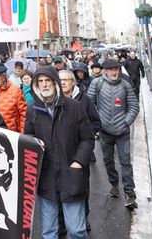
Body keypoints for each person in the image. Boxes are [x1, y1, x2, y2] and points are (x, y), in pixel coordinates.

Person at [24, 66, 95, 239]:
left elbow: (88, 138)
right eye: (40, 81)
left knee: (76, 230)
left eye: (48, 80)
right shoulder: (33, 110)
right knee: (49, 231)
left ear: (55, 82)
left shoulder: (74, 106)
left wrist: (78, 162)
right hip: (46, 177)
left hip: (71, 174)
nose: (44, 85)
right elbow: (28, 136)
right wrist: (32, 143)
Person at [87, 59, 140, 209]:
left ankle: (130, 194)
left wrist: (125, 122)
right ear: (104, 71)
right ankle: (114, 185)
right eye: (111, 70)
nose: (114, 72)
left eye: (116, 69)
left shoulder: (125, 85)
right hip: (104, 132)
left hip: (123, 132)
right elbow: (89, 106)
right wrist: (98, 123)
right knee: (108, 161)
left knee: (125, 162)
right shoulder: (97, 84)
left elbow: (134, 107)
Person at [59, 70, 102, 231]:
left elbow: (96, 122)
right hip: (61, 151)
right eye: (60, 80)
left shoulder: (84, 100)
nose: (62, 83)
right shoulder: (53, 100)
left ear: (73, 82)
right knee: (60, 186)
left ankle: (83, 217)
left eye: (66, 80)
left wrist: (84, 136)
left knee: (81, 186)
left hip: (79, 152)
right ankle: (62, 220)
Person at [0, 66, 27, 133]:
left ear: (3, 77)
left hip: (12, 133)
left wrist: (22, 134)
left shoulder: (16, 91)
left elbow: (24, 114)